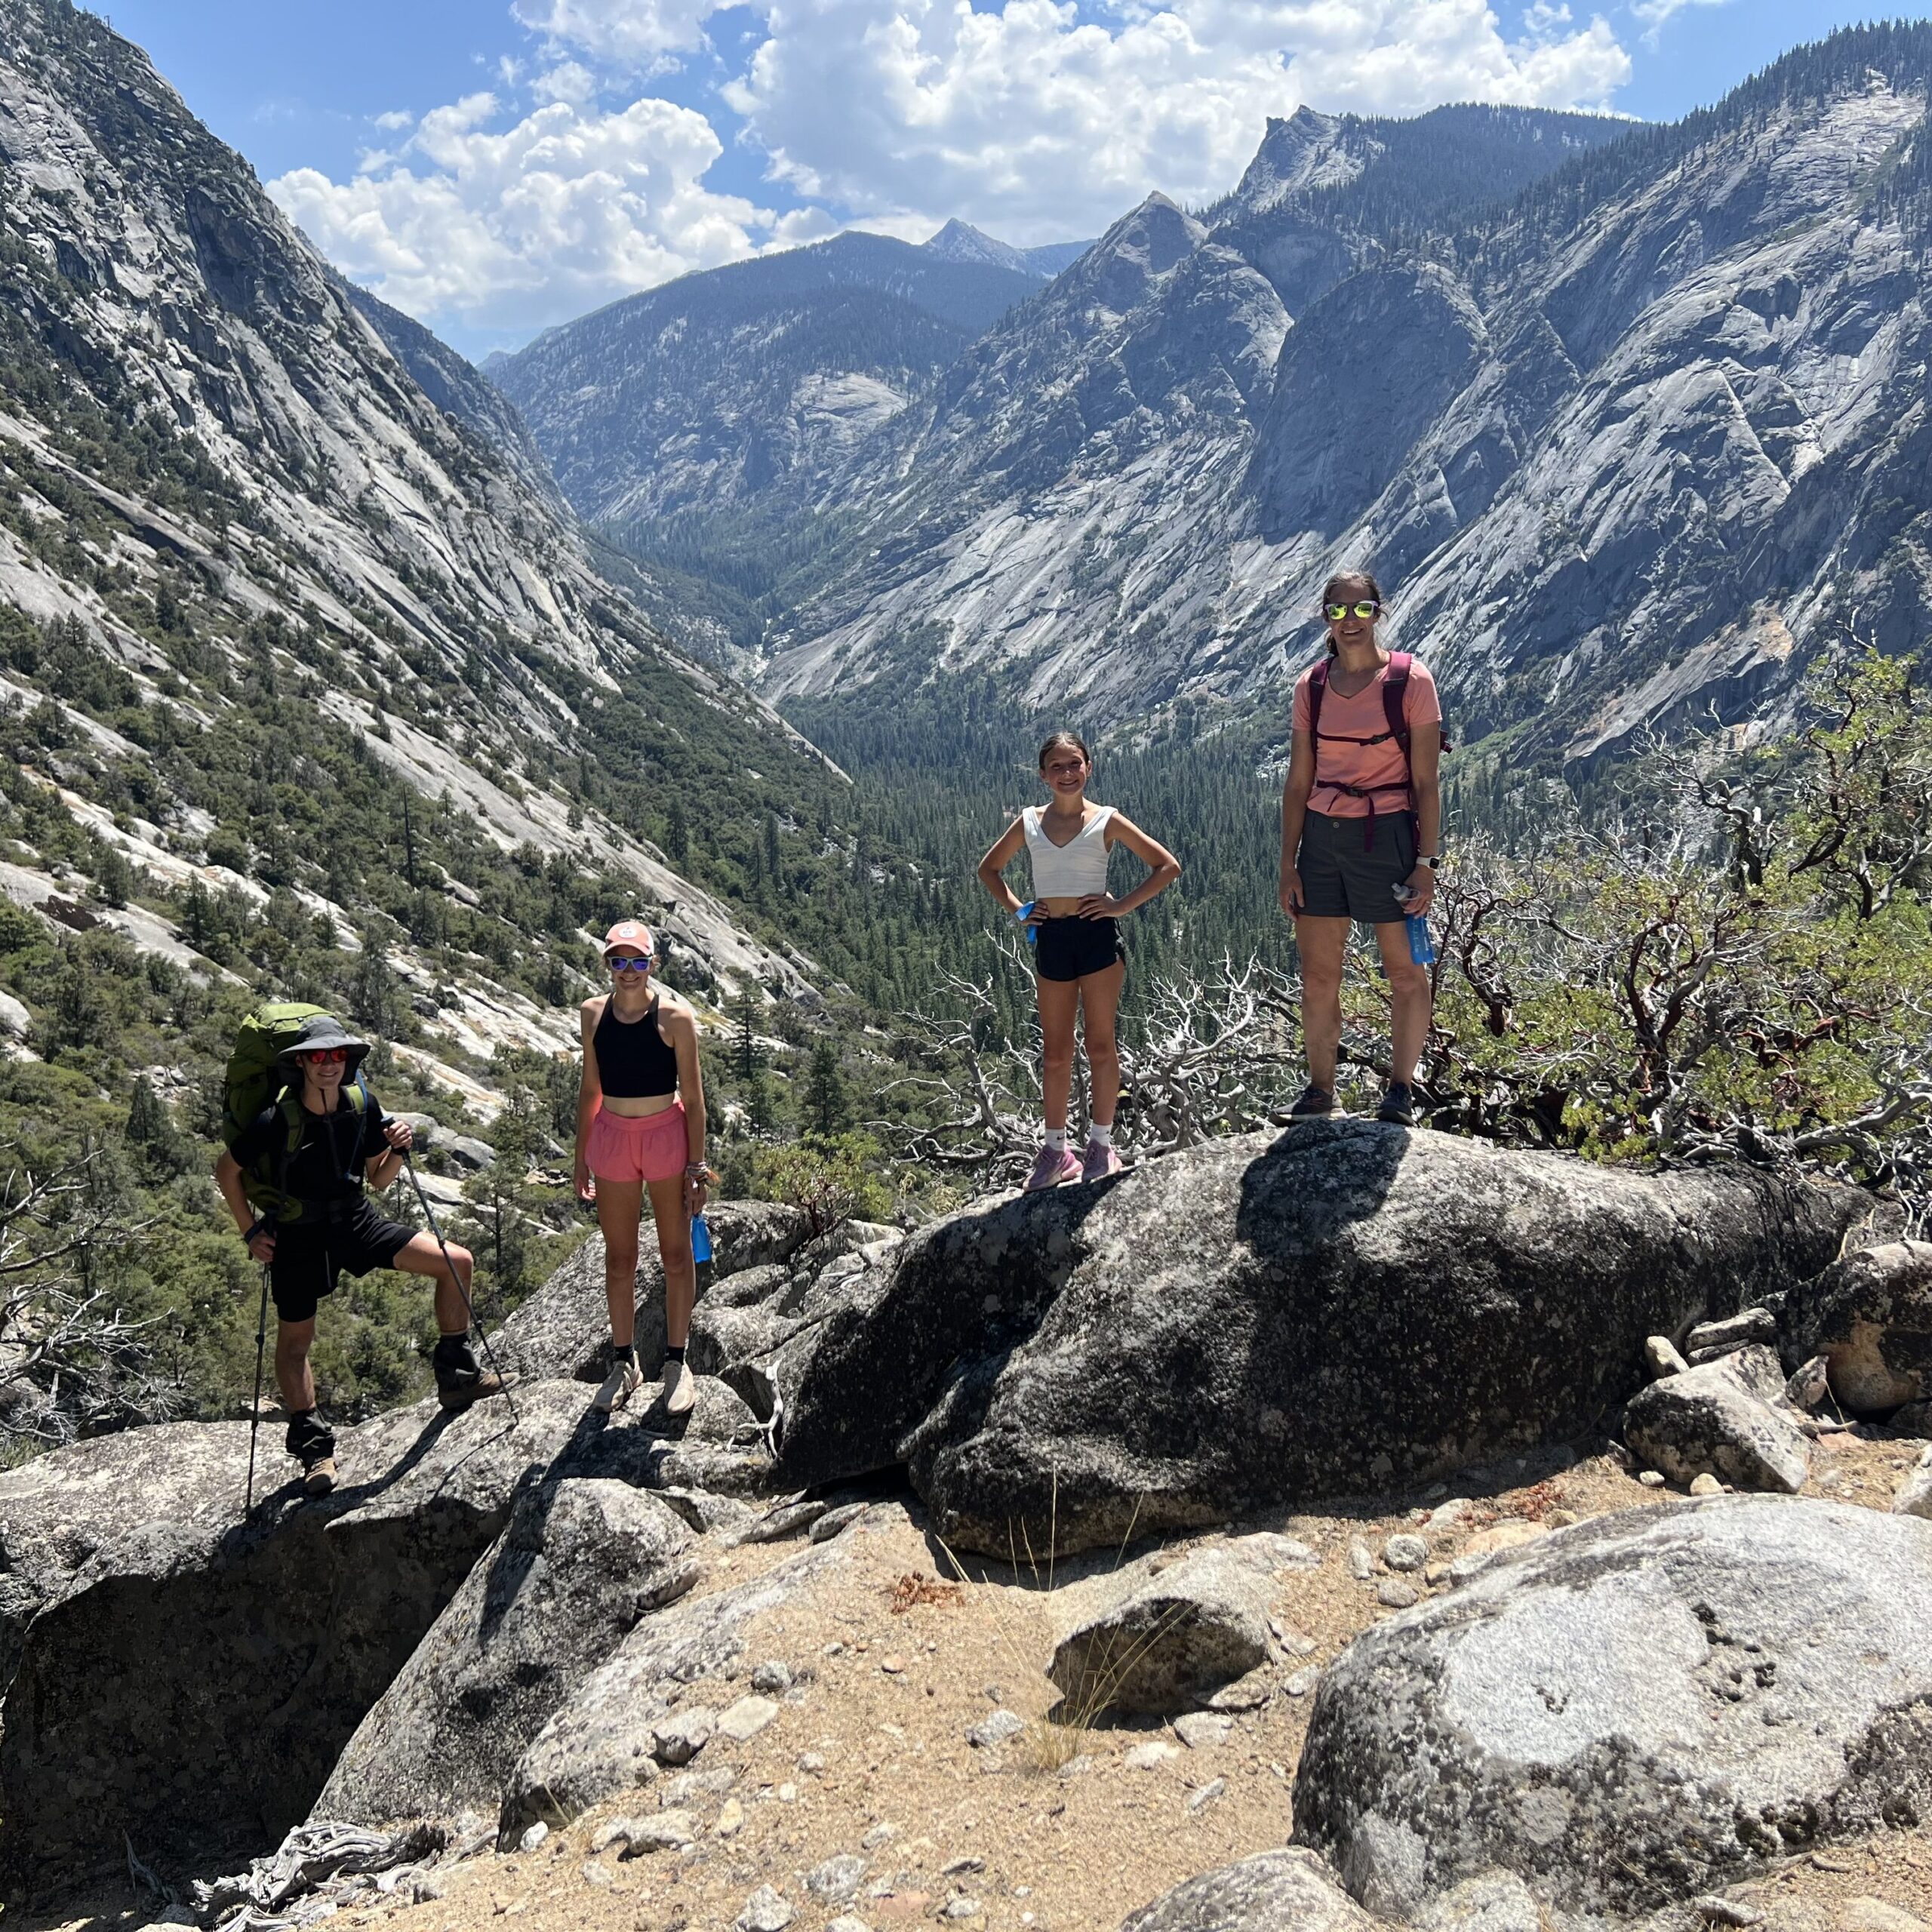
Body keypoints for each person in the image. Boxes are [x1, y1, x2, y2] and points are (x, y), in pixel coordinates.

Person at [214, 1014, 503, 1497]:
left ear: (347, 1062)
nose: (329, 1064)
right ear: (301, 1063)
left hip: (354, 1219)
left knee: (458, 1262)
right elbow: (227, 1172)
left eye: (337, 1056)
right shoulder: (275, 1119)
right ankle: (314, 1452)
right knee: (294, 1343)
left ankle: (456, 1374)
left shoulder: (359, 1104)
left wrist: (395, 1149)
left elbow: (380, 1180)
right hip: (297, 1232)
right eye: (319, 1056)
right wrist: (249, 1232)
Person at [977, 732, 1181, 1189]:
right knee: (1055, 1052)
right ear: (1042, 774)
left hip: (1096, 938)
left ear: (1089, 767)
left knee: (1100, 1045)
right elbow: (988, 870)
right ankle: (1056, 1151)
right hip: (1052, 937)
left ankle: (1101, 1146)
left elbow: (1166, 866)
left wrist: (1119, 907)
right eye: (1057, 767)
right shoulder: (1029, 822)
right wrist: (1021, 910)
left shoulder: (1106, 820)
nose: (1066, 774)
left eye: (1074, 765)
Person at [1277, 570, 1443, 1125]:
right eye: (1338, 610)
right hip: (1323, 841)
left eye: (1361, 609)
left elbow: (1426, 783)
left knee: (1405, 973)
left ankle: (1401, 1090)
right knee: (1320, 975)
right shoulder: (1313, 686)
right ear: (1325, 616)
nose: (1350, 621)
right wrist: (1288, 865)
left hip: (1390, 837)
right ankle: (1321, 1091)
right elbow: (1298, 783)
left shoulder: (1410, 681)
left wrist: (1426, 863)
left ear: (1379, 611)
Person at [574, 919, 710, 1416]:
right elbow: (590, 1090)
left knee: (676, 1255)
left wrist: (697, 1167)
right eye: (618, 960)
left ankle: (677, 1363)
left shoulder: (674, 1019)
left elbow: (694, 1102)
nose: (627, 971)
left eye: (636, 961)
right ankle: (624, 1362)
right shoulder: (592, 1015)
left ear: (653, 965)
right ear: (607, 964)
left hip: (666, 1139)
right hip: (612, 1138)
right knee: (619, 1260)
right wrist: (580, 1158)